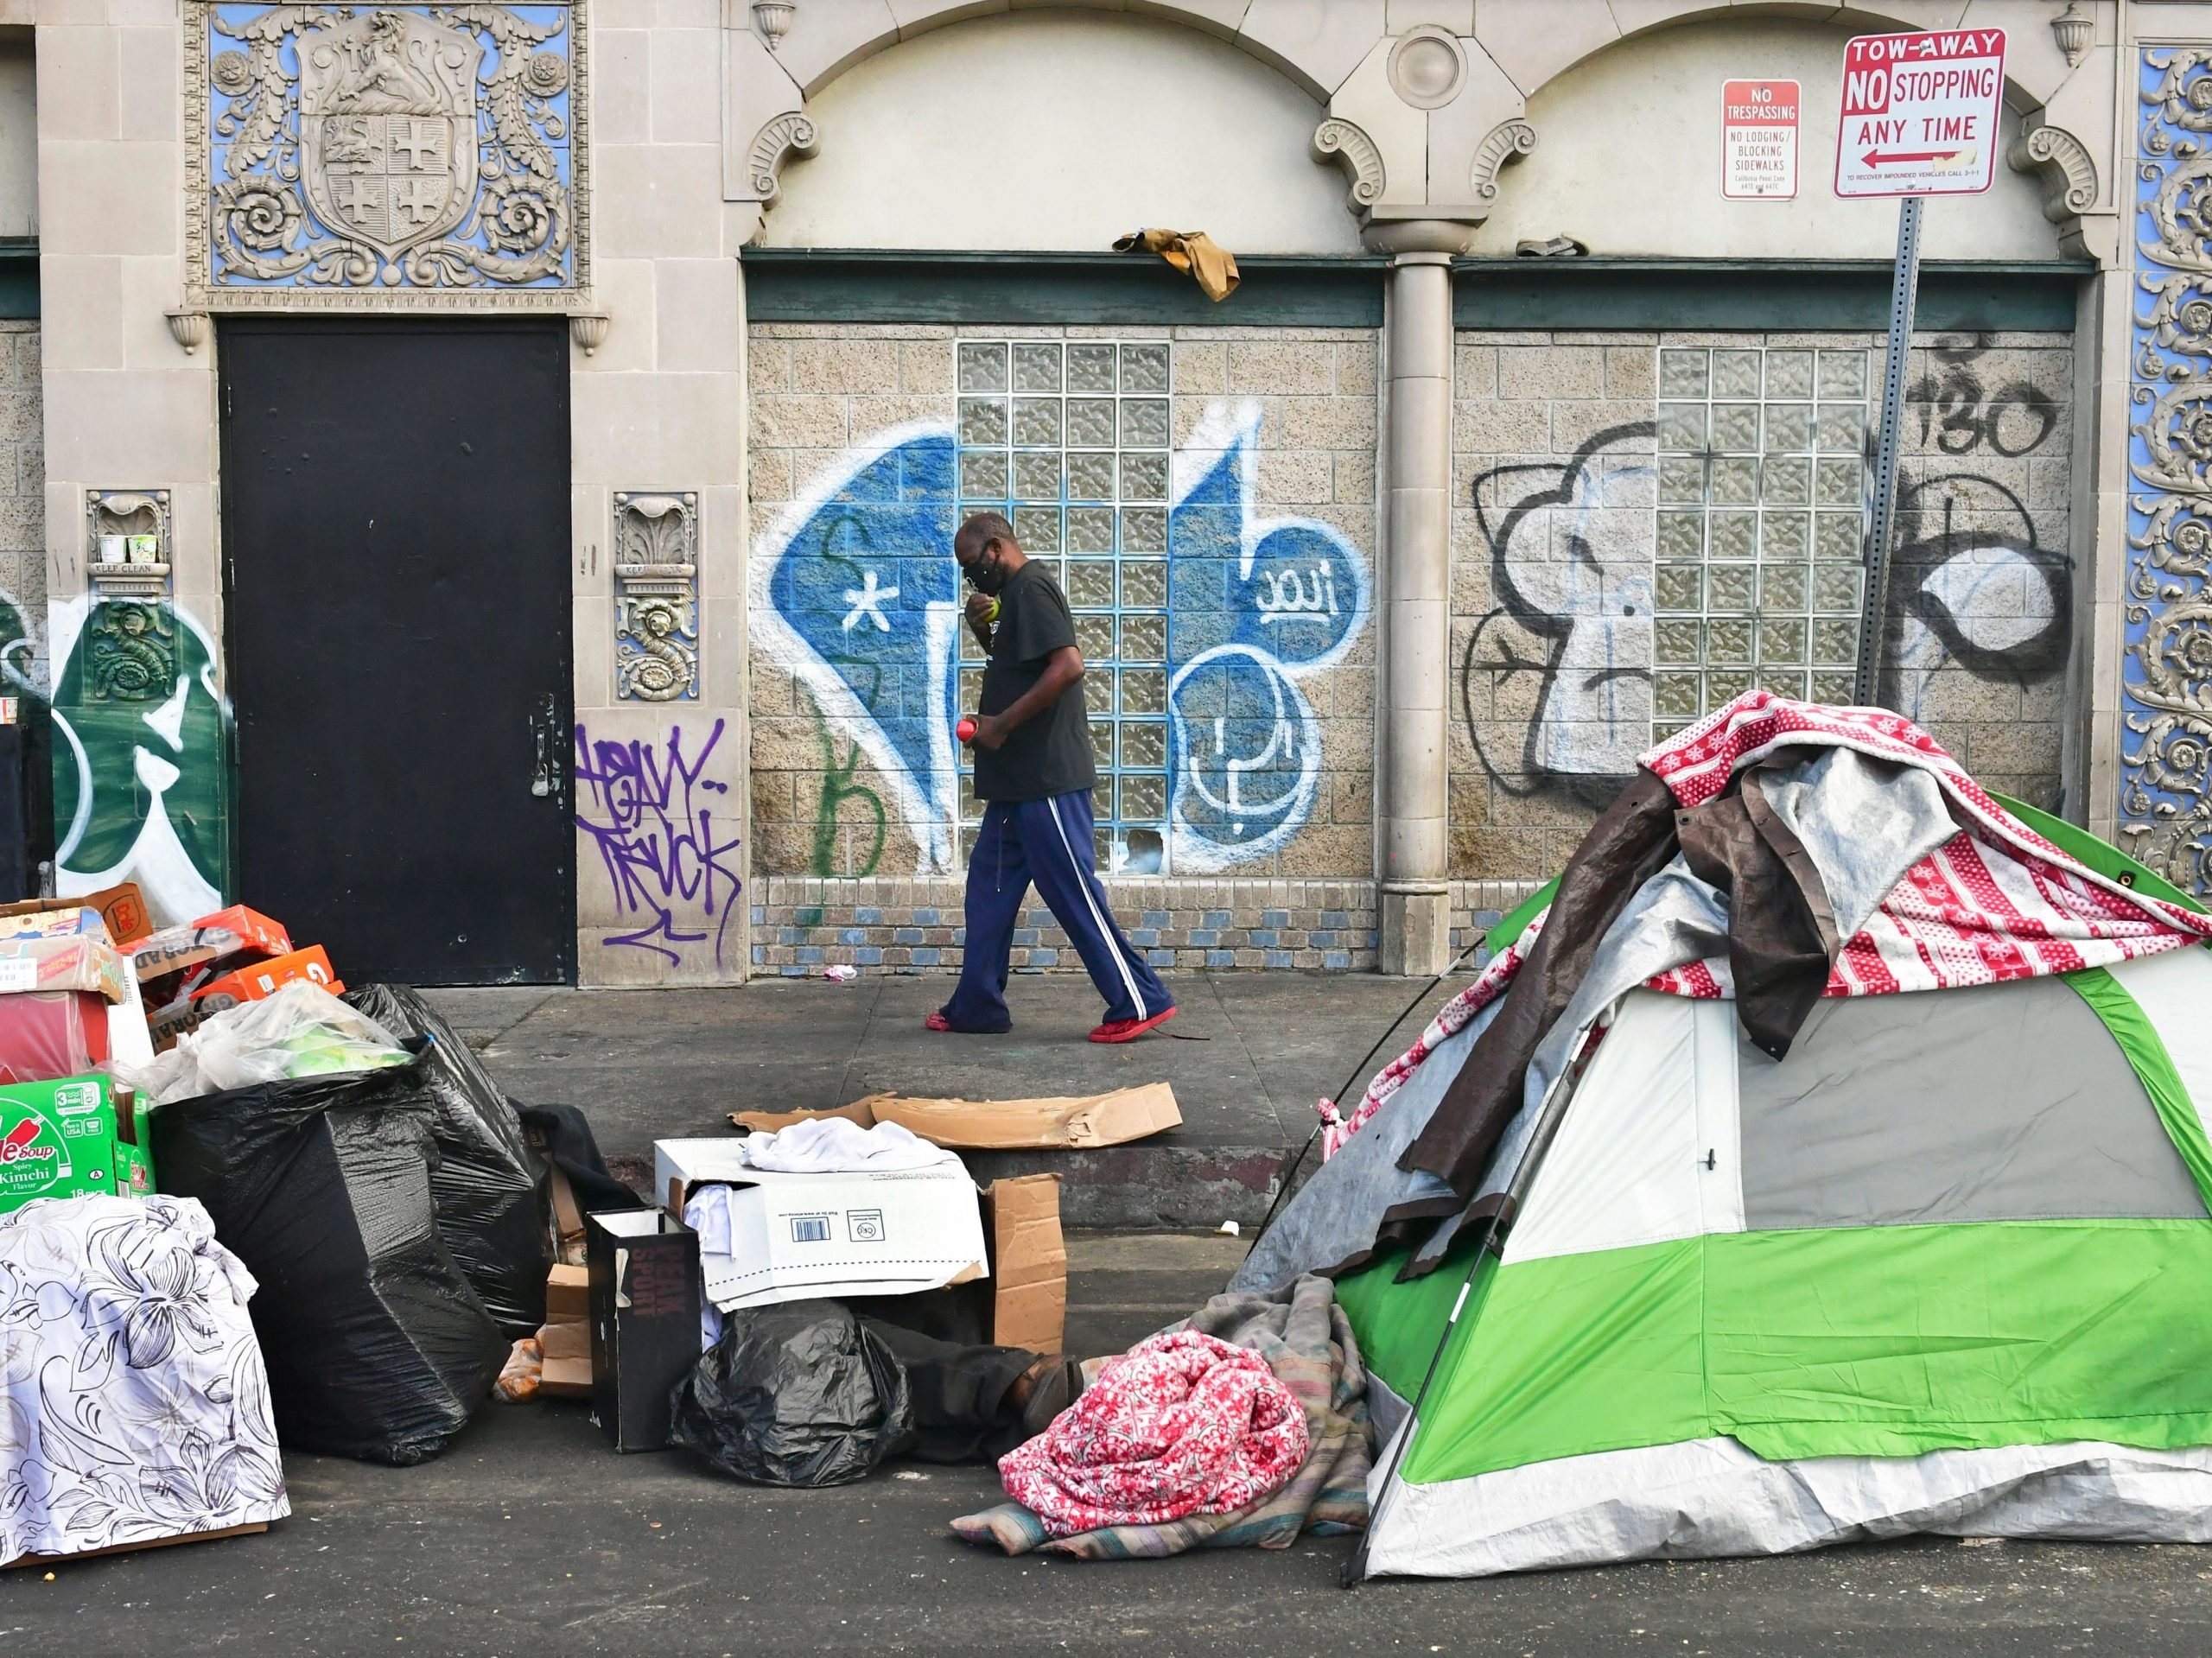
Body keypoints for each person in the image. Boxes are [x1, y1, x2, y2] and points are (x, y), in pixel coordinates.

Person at [928, 511, 1177, 1042]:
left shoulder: (1033, 586)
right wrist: (982, 629)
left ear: (997, 547)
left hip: (1045, 780)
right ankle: (978, 1006)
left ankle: (1140, 999)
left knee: (1072, 892)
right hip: (1015, 785)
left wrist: (998, 725)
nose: (972, 580)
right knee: (988, 892)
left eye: (973, 567)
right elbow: (1021, 664)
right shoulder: (1013, 597)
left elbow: (1067, 666)